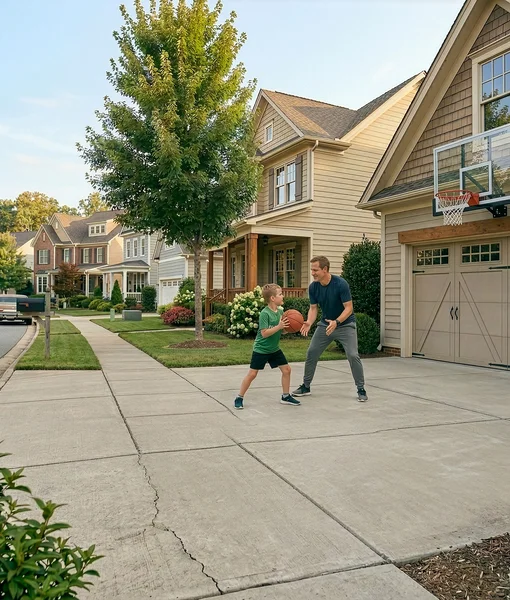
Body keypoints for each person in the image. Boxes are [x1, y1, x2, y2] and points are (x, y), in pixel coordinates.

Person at [292, 255, 368, 402]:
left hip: (345, 325)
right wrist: (309, 322)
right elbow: (313, 308)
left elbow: (349, 308)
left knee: (353, 355)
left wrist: (337, 322)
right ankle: (306, 386)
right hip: (325, 325)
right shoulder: (313, 287)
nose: (312, 273)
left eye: (315, 270)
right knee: (312, 352)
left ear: (325, 269)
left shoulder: (341, 284)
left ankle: (361, 389)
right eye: (311, 270)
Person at [234, 283, 301, 409]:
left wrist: (288, 328)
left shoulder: (281, 312)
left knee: (287, 370)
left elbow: (282, 330)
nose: (283, 296)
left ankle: (285, 396)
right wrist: (279, 327)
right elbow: (264, 333)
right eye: (280, 294)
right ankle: (239, 397)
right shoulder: (265, 313)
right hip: (261, 349)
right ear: (272, 298)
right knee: (252, 374)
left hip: (274, 349)